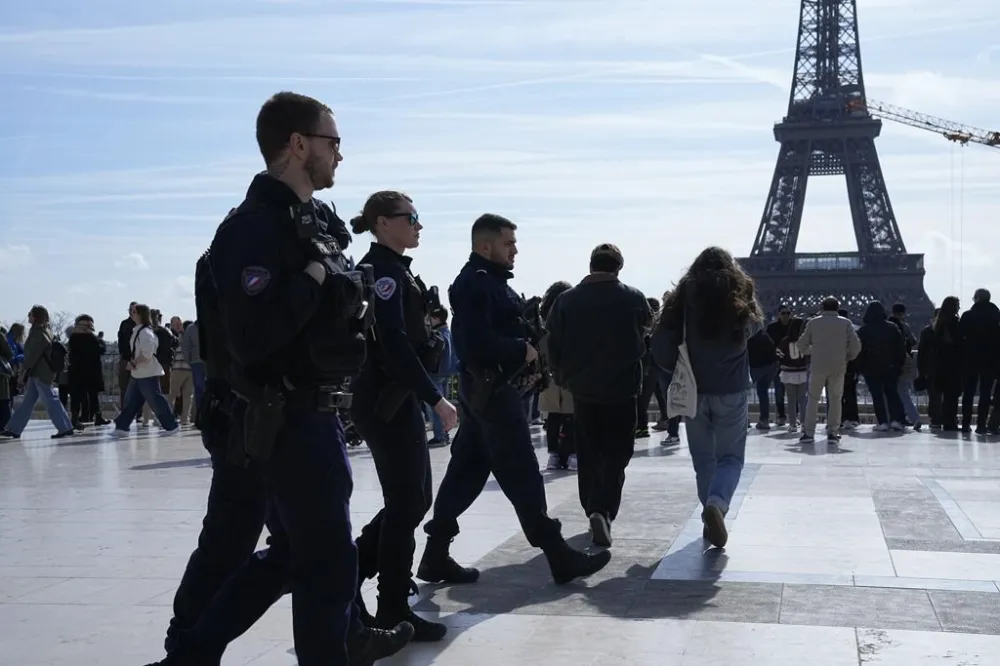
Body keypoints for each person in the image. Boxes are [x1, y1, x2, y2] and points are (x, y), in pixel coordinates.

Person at [147, 92, 411, 666]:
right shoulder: (254, 228)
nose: (340, 155)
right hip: (278, 415)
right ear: (297, 145)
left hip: (312, 413)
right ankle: (190, 650)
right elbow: (253, 338)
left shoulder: (312, 222)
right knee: (309, 560)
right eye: (331, 142)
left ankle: (191, 654)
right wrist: (316, 278)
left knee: (300, 556)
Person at [417, 213, 611, 586]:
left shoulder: (487, 282)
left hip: (485, 392)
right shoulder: (477, 284)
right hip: (493, 392)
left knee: (465, 474)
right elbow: (472, 344)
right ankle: (557, 554)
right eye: (508, 244)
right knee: (522, 473)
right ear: (485, 246)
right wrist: (520, 349)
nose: (515, 251)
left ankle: (435, 554)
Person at [347, 191, 459, 641]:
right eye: (411, 218)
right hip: (386, 401)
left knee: (412, 501)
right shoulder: (385, 276)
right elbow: (392, 346)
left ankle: (353, 573)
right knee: (406, 503)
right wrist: (436, 398)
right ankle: (391, 605)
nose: (418, 225)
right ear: (382, 223)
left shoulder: (395, 272)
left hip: (392, 400)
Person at [651, 247, 764, 549]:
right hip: (731, 389)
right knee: (730, 458)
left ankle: (709, 514)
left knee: (703, 460)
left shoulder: (683, 299)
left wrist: (676, 368)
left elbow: (659, 344)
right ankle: (717, 504)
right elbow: (754, 328)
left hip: (693, 390)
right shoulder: (739, 294)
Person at [545, 243, 652, 548]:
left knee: (589, 451)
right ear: (619, 267)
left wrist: (563, 376)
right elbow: (646, 332)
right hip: (622, 389)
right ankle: (602, 508)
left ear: (591, 264)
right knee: (618, 451)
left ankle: (592, 506)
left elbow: (552, 343)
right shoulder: (632, 298)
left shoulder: (566, 300)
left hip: (583, 390)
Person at [0, 305, 75, 440]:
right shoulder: (46, 331)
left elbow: (32, 356)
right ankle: (14, 429)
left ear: (34, 317)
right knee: (28, 402)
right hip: (40, 372)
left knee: (50, 401)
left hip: (40, 372)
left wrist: (23, 371)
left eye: (30, 314)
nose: (28, 316)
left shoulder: (37, 333)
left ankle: (65, 427)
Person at [110, 304, 180, 436]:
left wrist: (133, 362)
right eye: (131, 311)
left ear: (141, 314)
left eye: (134, 311)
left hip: (147, 372)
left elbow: (147, 354)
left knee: (156, 401)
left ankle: (171, 426)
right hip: (140, 373)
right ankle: (121, 427)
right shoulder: (139, 330)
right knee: (132, 401)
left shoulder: (145, 333)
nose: (132, 313)